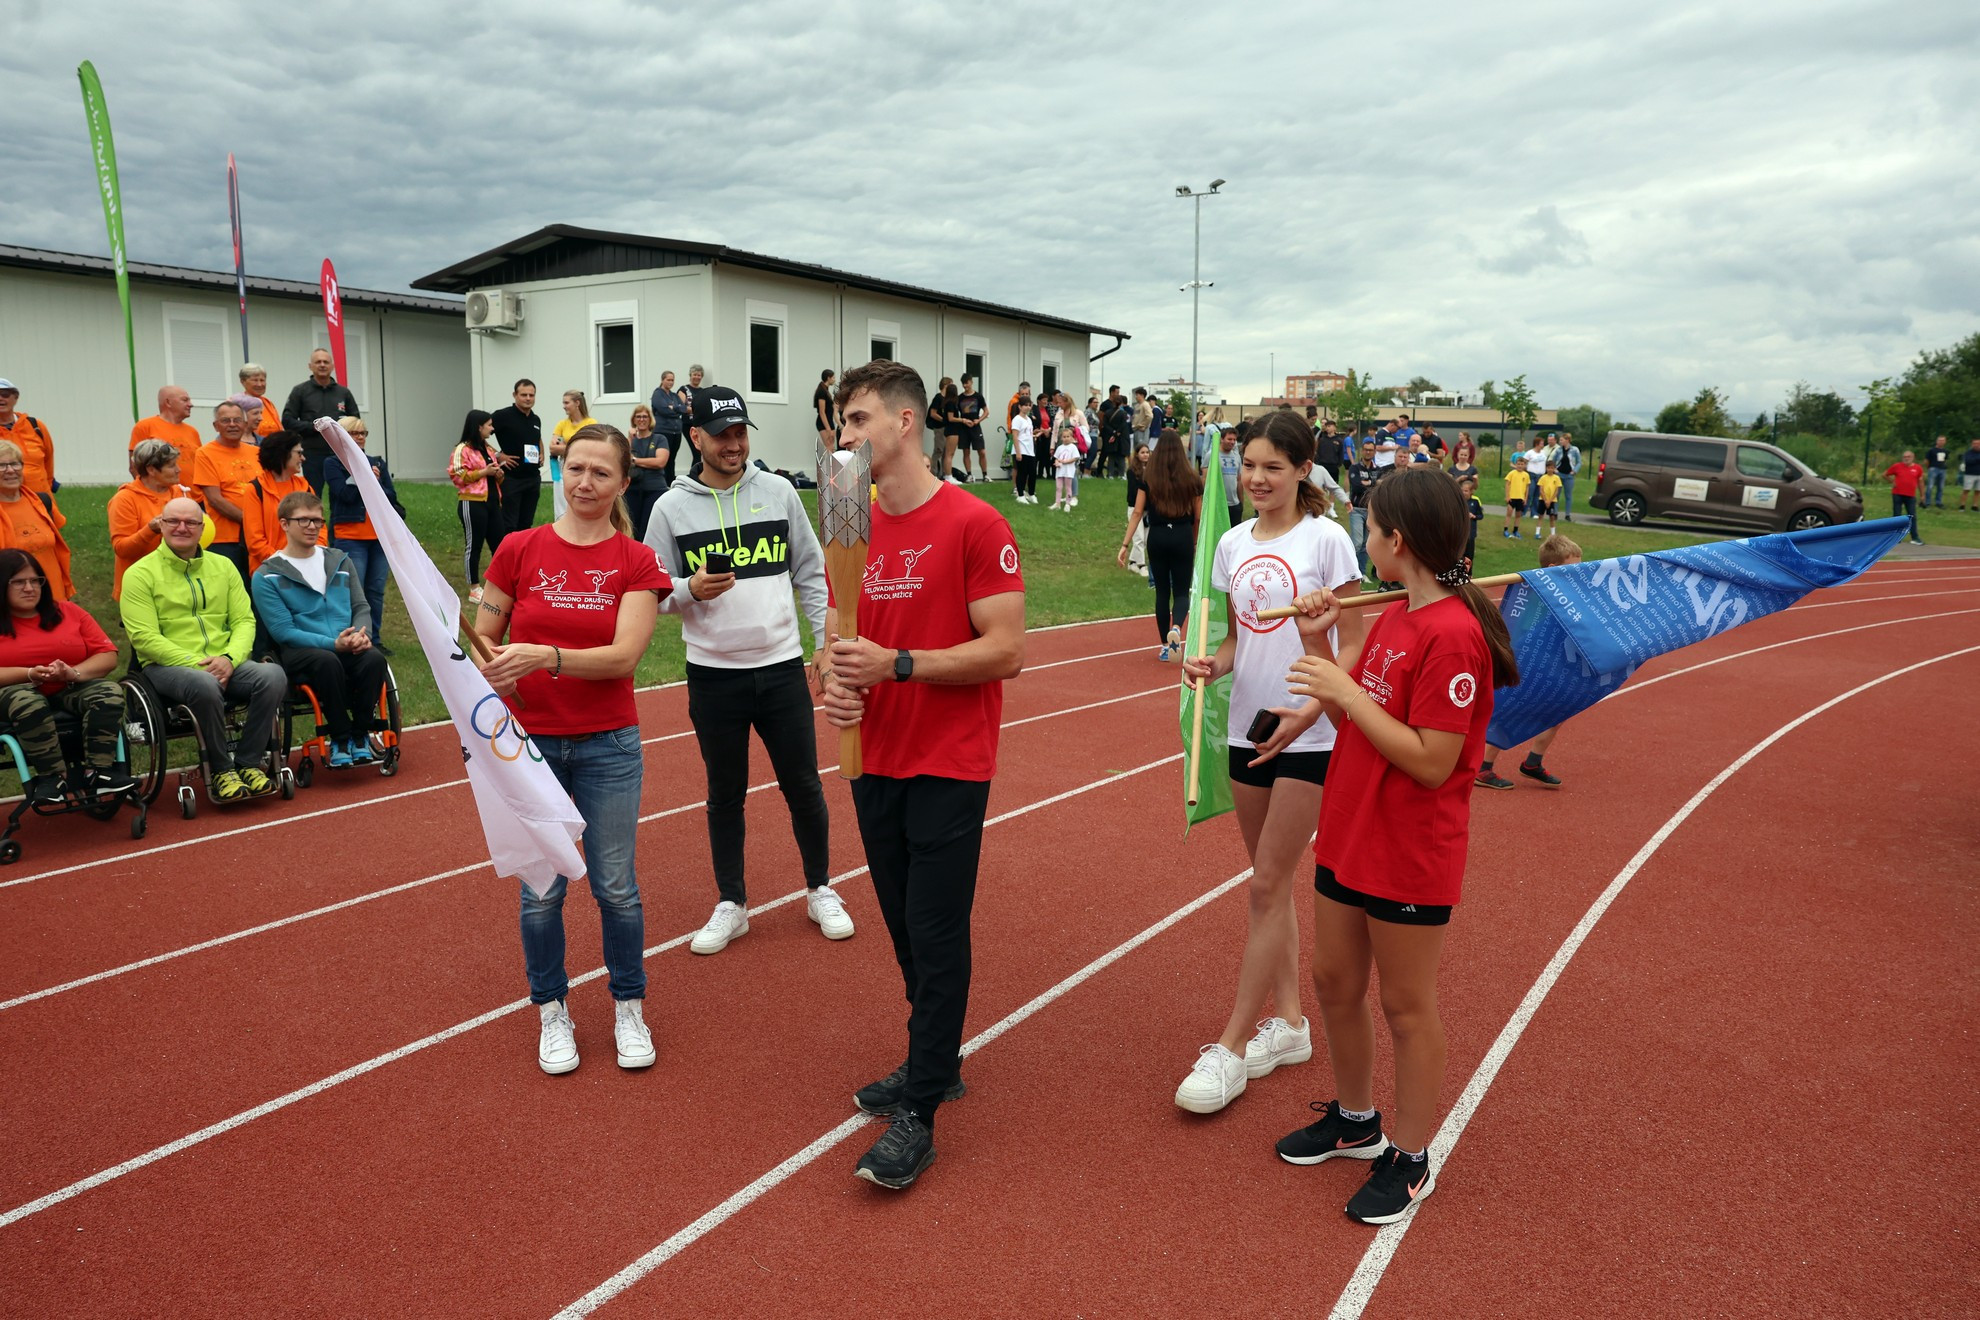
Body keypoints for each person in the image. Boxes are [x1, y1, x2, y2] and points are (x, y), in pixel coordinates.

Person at [1273, 464, 1519, 1225]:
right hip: (1352, 831)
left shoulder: (1452, 636)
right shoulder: (1395, 618)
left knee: (1407, 1007)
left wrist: (1343, 692)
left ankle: (1410, 1157)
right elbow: (1363, 726)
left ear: (1397, 539)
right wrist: (1325, 651)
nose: (1363, 539)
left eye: (1370, 528)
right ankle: (1356, 1120)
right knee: (1334, 982)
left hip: (1410, 849)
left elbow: (1432, 760)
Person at [819, 358, 1025, 1191]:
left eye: (859, 419)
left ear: (906, 423)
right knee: (902, 922)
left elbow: (1007, 650)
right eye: (840, 421)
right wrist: (830, 677)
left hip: (950, 760)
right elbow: (838, 624)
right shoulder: (846, 515)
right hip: (875, 756)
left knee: (936, 932)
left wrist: (897, 664)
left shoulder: (976, 524)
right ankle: (932, 1058)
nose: (845, 435)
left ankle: (921, 1113)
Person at [1174, 412, 1362, 1114]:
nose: (1255, 478)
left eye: (1272, 467)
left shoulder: (1328, 540)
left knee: (1266, 886)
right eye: (1247, 464)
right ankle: (1289, 1024)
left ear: (1303, 470)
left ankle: (1229, 1047)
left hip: (1309, 736)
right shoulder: (1229, 543)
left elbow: (1354, 645)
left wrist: (1313, 709)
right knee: (1269, 886)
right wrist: (1210, 664)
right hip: (1248, 728)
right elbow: (1239, 642)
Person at [474, 423, 668, 1076]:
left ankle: (628, 1005)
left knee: (616, 887)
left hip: (608, 744)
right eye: (575, 468)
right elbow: (482, 642)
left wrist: (546, 657)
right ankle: (552, 1009)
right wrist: (489, 663)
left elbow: (623, 657)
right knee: (541, 891)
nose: (585, 482)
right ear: (559, 469)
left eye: (601, 473)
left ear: (622, 482)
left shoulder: (635, 560)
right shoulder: (518, 549)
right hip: (528, 750)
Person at [645, 387, 847, 955]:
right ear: (696, 438)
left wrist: (823, 644)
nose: (735, 444)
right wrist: (688, 589)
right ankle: (732, 903)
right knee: (724, 794)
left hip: (781, 668)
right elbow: (650, 591)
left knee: (804, 787)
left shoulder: (779, 491)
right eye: (722, 434)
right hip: (713, 676)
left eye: (741, 433)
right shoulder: (670, 508)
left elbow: (811, 572)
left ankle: (820, 889)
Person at [120, 496, 286, 801]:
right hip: (165, 667)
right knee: (204, 682)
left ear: (202, 528)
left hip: (225, 662)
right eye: (173, 521)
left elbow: (244, 621)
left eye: (191, 523)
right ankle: (222, 770)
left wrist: (229, 659)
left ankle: (248, 762)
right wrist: (201, 664)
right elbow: (144, 638)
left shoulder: (223, 567)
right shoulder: (139, 574)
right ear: (161, 525)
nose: (182, 528)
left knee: (273, 675)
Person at [252, 491, 390, 769]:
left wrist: (360, 634)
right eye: (303, 520)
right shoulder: (266, 575)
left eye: (317, 520)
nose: (312, 526)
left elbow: (361, 605)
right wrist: (333, 644)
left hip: (347, 645)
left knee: (375, 658)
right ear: (284, 524)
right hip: (303, 653)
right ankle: (339, 738)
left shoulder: (339, 560)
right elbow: (283, 631)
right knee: (326, 660)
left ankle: (360, 734)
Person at [0, 549, 133, 805]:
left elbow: (107, 655)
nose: (29, 588)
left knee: (108, 693)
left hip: (67, 685)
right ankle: (52, 778)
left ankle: (100, 771)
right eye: (18, 582)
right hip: (11, 692)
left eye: (35, 580)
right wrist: (28, 674)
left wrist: (73, 672)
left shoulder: (69, 612)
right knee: (28, 700)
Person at [1476, 534, 1582, 791]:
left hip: (1553, 663)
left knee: (1560, 711)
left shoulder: (1569, 592)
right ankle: (1484, 767)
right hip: (1530, 663)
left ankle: (1533, 763)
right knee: (1514, 711)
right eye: (1576, 566)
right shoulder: (1535, 591)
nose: (1581, 571)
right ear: (1554, 569)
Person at [1117, 428, 1202, 660]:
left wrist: (1125, 545)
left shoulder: (1148, 478)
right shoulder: (1193, 479)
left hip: (1157, 535)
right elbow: (1198, 516)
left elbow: (1136, 512)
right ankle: (1177, 628)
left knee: (1162, 592)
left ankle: (1165, 645)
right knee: (1182, 591)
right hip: (1183, 534)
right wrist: (1194, 540)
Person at [322, 417, 400, 649]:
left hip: (379, 538)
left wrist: (374, 481)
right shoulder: (332, 463)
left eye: (363, 433)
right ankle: (354, 637)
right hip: (350, 537)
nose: (360, 438)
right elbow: (343, 494)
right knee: (354, 592)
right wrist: (361, 477)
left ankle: (373, 639)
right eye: (354, 434)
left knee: (375, 591)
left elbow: (391, 496)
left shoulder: (377, 462)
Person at [109, 440, 199, 598]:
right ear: (151, 469)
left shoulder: (180, 493)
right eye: (171, 466)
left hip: (179, 584)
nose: (179, 470)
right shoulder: (125, 499)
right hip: (141, 587)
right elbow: (122, 549)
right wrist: (150, 530)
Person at [192, 400, 263, 577]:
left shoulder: (256, 453)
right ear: (216, 426)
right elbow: (215, 499)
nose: (232, 425)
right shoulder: (205, 453)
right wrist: (250, 521)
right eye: (225, 421)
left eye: (237, 420)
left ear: (245, 424)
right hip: (225, 538)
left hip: (257, 537)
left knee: (257, 588)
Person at [0, 441, 74, 600]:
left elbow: (56, 550)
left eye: (15, 464)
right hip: (12, 607)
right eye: (2, 465)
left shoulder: (41, 502)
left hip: (54, 599)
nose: (10, 470)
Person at [241, 431, 322, 573]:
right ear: (283, 454)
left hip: (306, 568)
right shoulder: (255, 489)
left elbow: (320, 529)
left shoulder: (305, 487)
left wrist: (310, 558)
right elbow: (255, 541)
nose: (303, 458)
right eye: (299, 453)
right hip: (268, 571)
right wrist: (285, 563)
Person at [280, 349, 360, 492]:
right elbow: (287, 420)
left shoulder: (344, 393)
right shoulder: (300, 391)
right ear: (310, 366)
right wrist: (315, 427)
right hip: (312, 454)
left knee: (343, 494)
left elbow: (355, 421)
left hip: (340, 454)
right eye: (318, 362)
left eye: (326, 362)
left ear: (332, 366)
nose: (322, 365)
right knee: (312, 494)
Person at [449, 410, 503, 589]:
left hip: (493, 502)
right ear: (479, 427)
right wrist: (484, 472)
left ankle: (500, 583)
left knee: (499, 545)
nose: (492, 428)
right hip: (472, 503)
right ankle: (474, 587)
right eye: (489, 425)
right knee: (474, 546)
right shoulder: (462, 449)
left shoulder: (488, 449)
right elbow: (458, 475)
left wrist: (498, 474)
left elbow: (493, 475)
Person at [491, 379, 544, 541]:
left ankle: (522, 559)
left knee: (526, 524)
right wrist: (498, 455)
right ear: (515, 395)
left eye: (531, 395)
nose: (528, 398)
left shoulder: (535, 419)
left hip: (532, 478)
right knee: (509, 525)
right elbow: (479, 434)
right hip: (511, 479)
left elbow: (537, 438)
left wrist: (541, 453)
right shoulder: (502, 416)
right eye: (523, 395)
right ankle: (507, 559)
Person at [0, 379, 57, 499]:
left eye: (5, 394)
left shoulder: (35, 426)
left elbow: (48, 461)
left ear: (15, 398)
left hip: (40, 498)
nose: (1, 398)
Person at [130, 386, 201, 472]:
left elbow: (200, 466)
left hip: (191, 486)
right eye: (185, 400)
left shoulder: (193, 432)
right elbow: (135, 466)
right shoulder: (145, 427)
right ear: (168, 402)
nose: (191, 404)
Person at [625, 402, 668, 540]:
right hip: (632, 490)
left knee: (649, 527)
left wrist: (636, 461)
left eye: (645, 416)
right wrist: (630, 439)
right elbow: (623, 460)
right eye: (638, 417)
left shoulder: (659, 439)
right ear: (633, 420)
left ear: (650, 419)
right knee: (632, 527)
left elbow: (660, 462)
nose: (641, 419)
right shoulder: (629, 440)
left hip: (654, 489)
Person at [648, 371, 690, 489]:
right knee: (664, 459)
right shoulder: (658, 394)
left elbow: (683, 408)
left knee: (672, 459)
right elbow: (663, 410)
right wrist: (677, 410)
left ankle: (670, 483)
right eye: (668, 380)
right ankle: (662, 484)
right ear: (662, 380)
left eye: (672, 380)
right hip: (663, 431)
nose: (671, 382)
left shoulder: (673, 395)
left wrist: (675, 408)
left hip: (676, 432)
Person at [1345, 440, 1379, 578]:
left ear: (1374, 452)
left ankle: (1362, 573)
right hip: (1357, 510)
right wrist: (1373, 483)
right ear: (1362, 450)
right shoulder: (1355, 468)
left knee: (1366, 545)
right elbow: (1357, 486)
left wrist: (1370, 483)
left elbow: (1380, 486)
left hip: (1371, 510)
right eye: (1365, 449)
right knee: (1357, 543)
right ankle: (1349, 573)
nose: (1368, 452)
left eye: (1370, 450)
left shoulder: (1377, 469)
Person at [952, 374, 989, 484]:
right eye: (963, 383)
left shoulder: (978, 396)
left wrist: (979, 420)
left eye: (967, 383)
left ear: (971, 382)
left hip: (975, 427)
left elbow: (986, 411)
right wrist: (962, 420)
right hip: (963, 428)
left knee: (981, 451)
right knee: (966, 452)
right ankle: (969, 475)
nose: (965, 385)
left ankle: (985, 475)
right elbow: (954, 414)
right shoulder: (959, 398)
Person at [1124, 442, 1153, 579]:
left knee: (1146, 539)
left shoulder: (1153, 470)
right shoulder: (1132, 471)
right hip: (1135, 509)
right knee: (1138, 537)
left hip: (1148, 510)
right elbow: (1133, 493)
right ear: (1137, 454)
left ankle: (1132, 562)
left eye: (1147, 452)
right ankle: (1142, 565)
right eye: (1142, 452)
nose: (1145, 455)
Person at [1885, 451, 1925, 544]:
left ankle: (1914, 537)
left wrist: (1922, 495)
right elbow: (1885, 474)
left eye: (1908, 456)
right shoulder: (1897, 466)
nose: (1906, 458)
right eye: (1904, 457)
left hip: (1910, 495)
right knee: (1897, 515)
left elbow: (1921, 482)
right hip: (1897, 493)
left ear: (1913, 457)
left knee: (1912, 516)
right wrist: (1892, 482)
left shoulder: (1917, 468)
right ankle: (1896, 537)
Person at [238, 363, 286, 439]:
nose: (259, 384)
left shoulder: (267, 403)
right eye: (255, 380)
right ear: (243, 381)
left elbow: (280, 429)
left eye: (262, 380)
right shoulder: (238, 404)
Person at [1008, 397, 1038, 504]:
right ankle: (1020, 495)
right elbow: (1015, 436)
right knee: (1022, 473)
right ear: (1020, 406)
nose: (1027, 407)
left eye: (1029, 405)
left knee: (1033, 473)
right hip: (1021, 450)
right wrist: (1018, 452)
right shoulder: (1017, 419)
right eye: (1025, 405)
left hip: (1030, 451)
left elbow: (1028, 434)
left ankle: (1031, 493)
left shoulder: (1029, 419)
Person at [1050, 425, 1081, 511]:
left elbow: (1075, 458)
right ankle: (1057, 503)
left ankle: (1068, 503)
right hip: (1060, 471)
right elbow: (1056, 457)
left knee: (1068, 487)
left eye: (1068, 436)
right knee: (1058, 487)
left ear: (1071, 438)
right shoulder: (1060, 448)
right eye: (1064, 437)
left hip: (1068, 472)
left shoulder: (1073, 447)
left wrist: (1065, 461)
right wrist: (1057, 462)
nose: (1066, 438)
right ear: (1061, 438)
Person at [926, 377, 951, 471]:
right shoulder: (938, 398)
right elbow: (933, 413)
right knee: (938, 450)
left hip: (946, 428)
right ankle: (933, 472)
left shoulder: (947, 399)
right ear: (946, 385)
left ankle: (945, 473)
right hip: (939, 428)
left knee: (945, 452)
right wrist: (944, 420)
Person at [1534, 460, 1564, 539]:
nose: (1550, 469)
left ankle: (1553, 534)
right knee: (1540, 516)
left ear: (1554, 469)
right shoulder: (1543, 477)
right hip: (1543, 500)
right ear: (1546, 468)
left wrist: (1550, 500)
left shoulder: (1556, 478)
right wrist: (1545, 500)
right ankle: (1537, 533)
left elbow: (1557, 490)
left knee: (1552, 517)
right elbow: (1541, 489)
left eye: (1552, 468)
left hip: (1552, 501)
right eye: (1548, 468)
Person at [1556, 432, 1581, 520]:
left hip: (1569, 476)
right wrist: (1555, 469)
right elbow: (1554, 460)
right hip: (1559, 474)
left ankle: (1567, 514)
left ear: (1567, 440)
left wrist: (1574, 471)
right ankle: (1555, 513)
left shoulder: (1575, 450)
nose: (1560, 442)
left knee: (1568, 495)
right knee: (1556, 495)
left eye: (1561, 440)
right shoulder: (1558, 450)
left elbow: (1579, 462)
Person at [1502, 463, 1531, 539]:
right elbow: (1507, 485)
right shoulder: (1512, 473)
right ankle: (1505, 530)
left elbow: (1527, 488)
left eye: (1522, 464)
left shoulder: (1526, 475)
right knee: (1509, 513)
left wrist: (1526, 498)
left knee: (1518, 515)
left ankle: (1515, 530)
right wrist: (1507, 496)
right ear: (1516, 465)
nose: (1520, 466)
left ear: (1524, 466)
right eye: (1518, 464)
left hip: (1520, 498)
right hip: (1512, 497)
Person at [1459, 476, 1483, 568]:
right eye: (1462, 490)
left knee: (1470, 554)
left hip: (1471, 533)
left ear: (1471, 491)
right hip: (1461, 532)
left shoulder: (1475, 502)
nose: (1463, 493)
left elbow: (1481, 516)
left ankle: (1470, 573)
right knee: (1460, 553)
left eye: (1466, 491)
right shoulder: (1459, 501)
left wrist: (1474, 516)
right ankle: (1460, 571)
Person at [814, 368, 839, 448]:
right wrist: (828, 428)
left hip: (830, 421)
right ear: (828, 378)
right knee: (829, 447)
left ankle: (831, 461)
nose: (834, 380)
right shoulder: (821, 391)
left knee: (831, 447)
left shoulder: (826, 390)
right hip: (823, 423)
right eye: (833, 377)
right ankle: (827, 461)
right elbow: (822, 412)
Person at [1923, 436, 1949, 509]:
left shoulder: (1945, 451)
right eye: (1940, 440)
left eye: (1943, 440)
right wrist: (1929, 468)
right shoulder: (1932, 450)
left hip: (1942, 469)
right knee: (1930, 486)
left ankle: (1938, 502)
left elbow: (1945, 460)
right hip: (1933, 468)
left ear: (1945, 442)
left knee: (1940, 487)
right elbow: (1926, 460)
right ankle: (1927, 502)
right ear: (1937, 441)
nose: (1941, 442)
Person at [1961, 438, 1980, 513]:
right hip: (1970, 474)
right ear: (1972, 444)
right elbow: (1968, 461)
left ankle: (1975, 506)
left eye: (1978, 444)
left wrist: (1976, 460)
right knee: (1966, 490)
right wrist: (1978, 459)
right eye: (1975, 443)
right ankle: (1962, 505)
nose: (1976, 445)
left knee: (1978, 491)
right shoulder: (1968, 453)